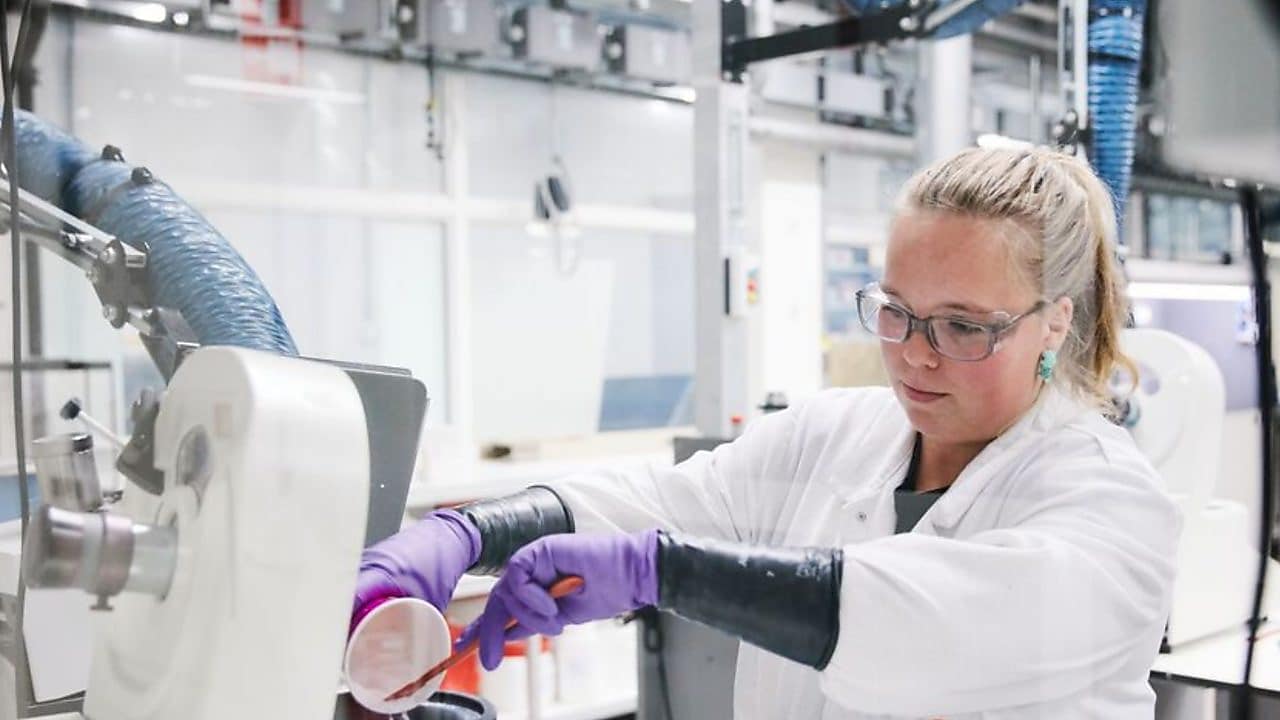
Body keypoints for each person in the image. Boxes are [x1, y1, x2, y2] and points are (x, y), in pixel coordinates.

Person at [353, 147, 1181, 719]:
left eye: (963, 327)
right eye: (895, 313)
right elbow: (658, 501)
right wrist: (469, 532)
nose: (916, 357)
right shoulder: (833, 434)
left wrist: (659, 570)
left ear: (1052, 323)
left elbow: (922, 622)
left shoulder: (1109, 503)